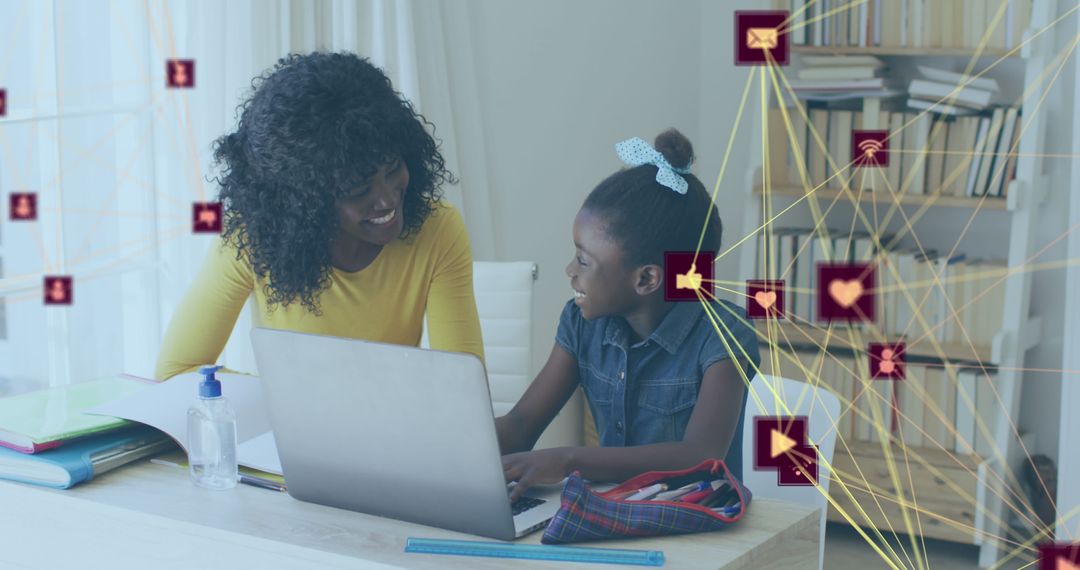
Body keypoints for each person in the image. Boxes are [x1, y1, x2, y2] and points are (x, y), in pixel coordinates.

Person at [154, 52, 483, 380]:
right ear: (306, 200)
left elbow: (462, 387)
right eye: (358, 190)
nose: (386, 199)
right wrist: (294, 401)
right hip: (291, 431)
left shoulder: (437, 229)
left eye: (393, 168)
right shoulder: (255, 237)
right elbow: (176, 371)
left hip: (388, 430)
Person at [497, 129, 759, 500]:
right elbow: (522, 424)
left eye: (584, 260)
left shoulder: (724, 335)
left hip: (698, 519)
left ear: (647, 278)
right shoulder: (580, 323)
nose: (570, 270)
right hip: (611, 513)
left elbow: (701, 456)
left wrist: (571, 459)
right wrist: (447, 449)